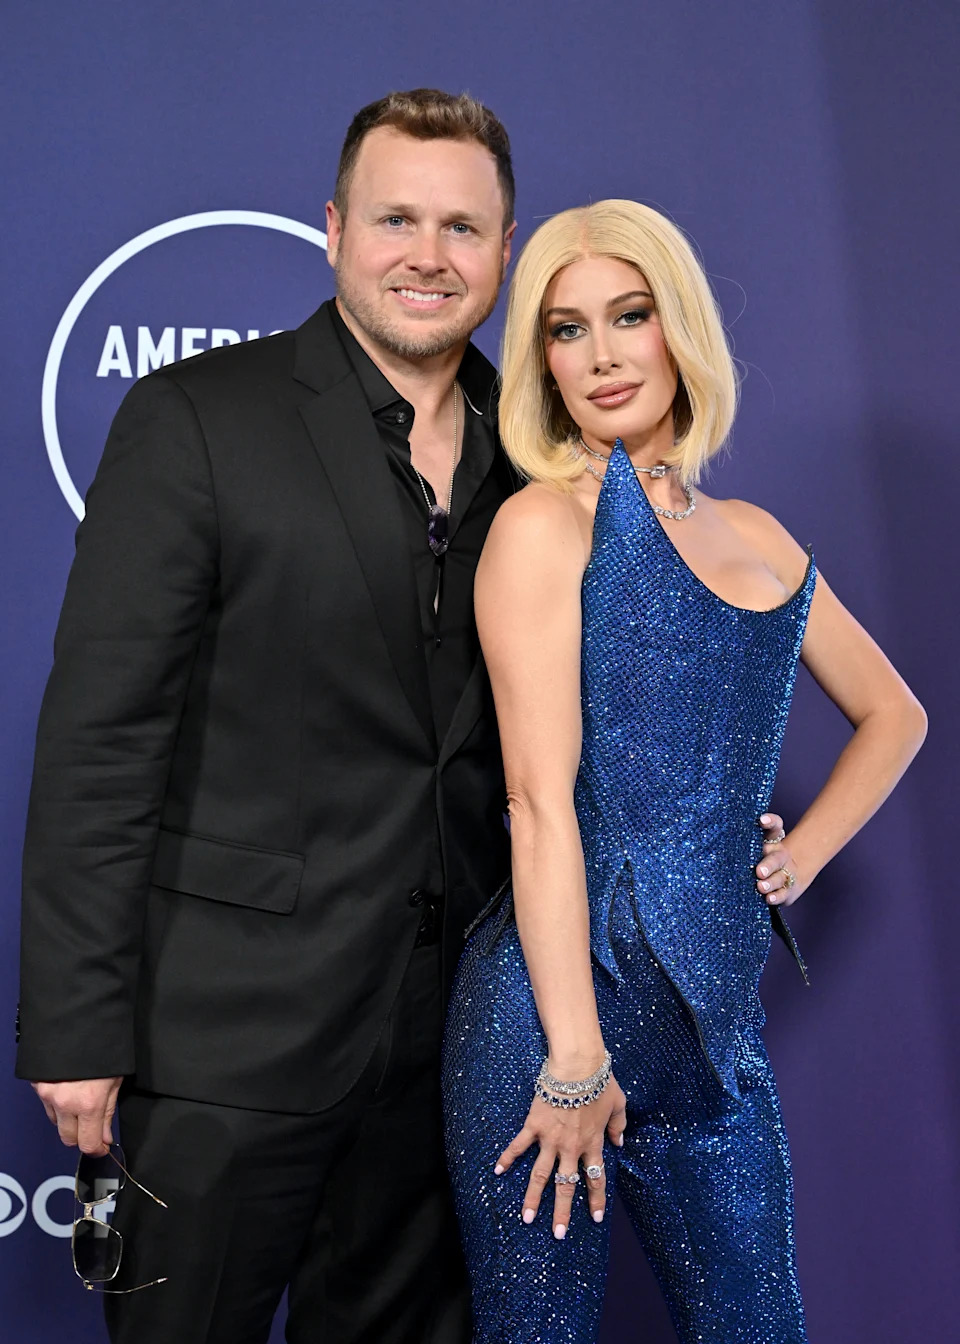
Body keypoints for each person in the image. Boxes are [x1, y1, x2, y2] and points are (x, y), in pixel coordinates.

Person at [17, 88, 518, 1344]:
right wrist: (77, 1026)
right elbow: (100, 744)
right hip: (226, 1043)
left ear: (506, 253)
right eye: (397, 218)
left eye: (464, 228)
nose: (429, 255)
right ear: (334, 228)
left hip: (452, 1048)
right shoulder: (197, 419)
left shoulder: (542, 451)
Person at [442, 199, 927, 1343]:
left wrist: (799, 854)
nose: (602, 355)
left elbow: (894, 714)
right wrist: (571, 1057)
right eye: (566, 329)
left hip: (714, 1039)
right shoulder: (542, 530)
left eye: (630, 315)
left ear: (680, 329)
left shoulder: (757, 533)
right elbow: (538, 807)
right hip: (550, 1025)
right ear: (541, 361)